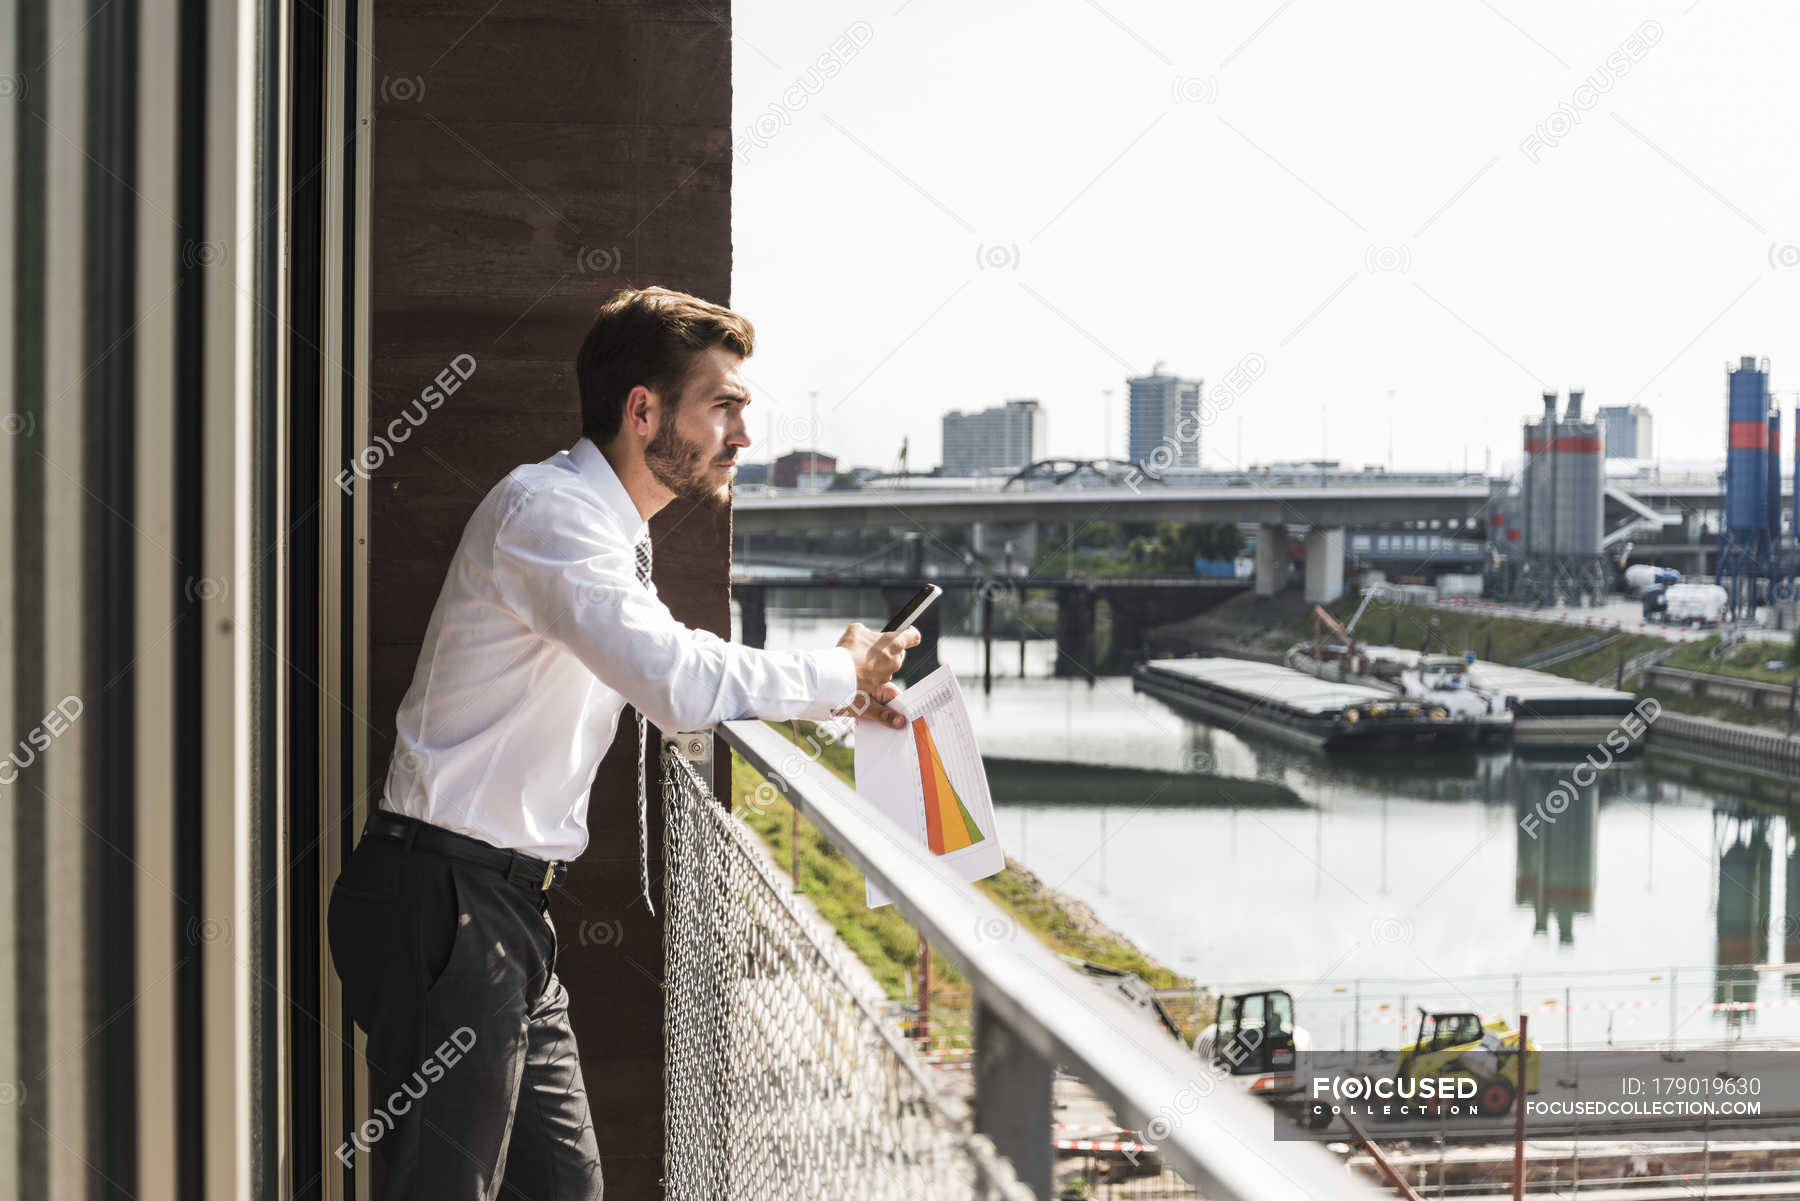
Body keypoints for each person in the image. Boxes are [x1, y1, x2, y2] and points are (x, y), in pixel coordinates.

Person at [326, 286, 919, 1200]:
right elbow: (677, 680)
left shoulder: (609, 534)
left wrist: (839, 702)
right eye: (724, 405)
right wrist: (838, 673)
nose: (743, 436)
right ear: (643, 410)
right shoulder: (550, 515)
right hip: (444, 903)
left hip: (502, 910)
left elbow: (671, 668)